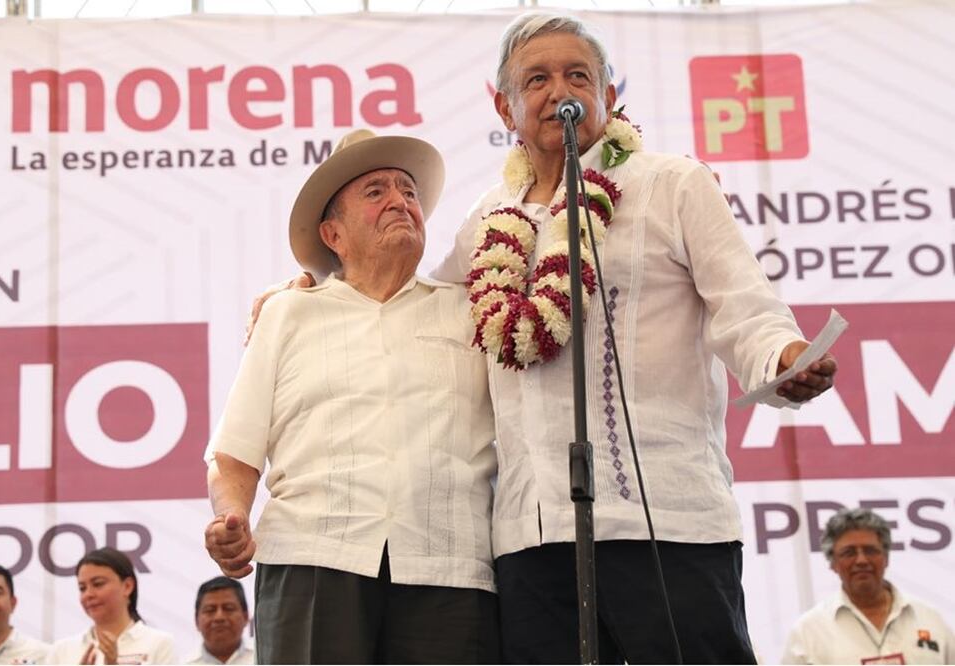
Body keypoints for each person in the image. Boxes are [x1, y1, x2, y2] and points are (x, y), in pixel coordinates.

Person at [244, 14, 838, 664]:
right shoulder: (489, 219)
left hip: (664, 517)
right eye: (538, 79)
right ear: (504, 106)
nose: (561, 91)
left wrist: (783, 357)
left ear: (610, 94)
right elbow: (415, 307)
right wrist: (312, 291)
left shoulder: (672, 184)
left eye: (578, 75)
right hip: (531, 541)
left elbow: (745, 308)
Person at [204, 129, 499, 664]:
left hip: (449, 565)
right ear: (332, 233)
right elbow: (234, 453)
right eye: (376, 192)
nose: (400, 202)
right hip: (312, 559)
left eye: (408, 191)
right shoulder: (287, 313)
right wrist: (231, 517)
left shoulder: (471, 311)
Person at [783, 508, 953, 664]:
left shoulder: (929, 619)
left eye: (870, 550)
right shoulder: (808, 632)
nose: (861, 560)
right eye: (849, 553)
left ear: (886, 558)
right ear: (833, 563)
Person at [47, 548, 175, 665]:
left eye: (98, 584)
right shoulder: (62, 650)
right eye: (82, 588)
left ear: (127, 586)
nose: (88, 594)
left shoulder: (158, 643)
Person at [185, 577, 252, 665]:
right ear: (196, 620)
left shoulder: (264, 660)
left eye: (228, 608)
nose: (219, 617)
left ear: (246, 616)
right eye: (210, 610)